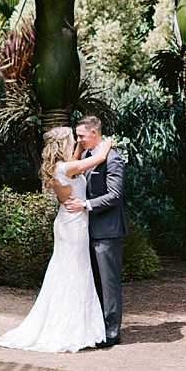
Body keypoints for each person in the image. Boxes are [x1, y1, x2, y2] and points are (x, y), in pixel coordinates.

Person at [0, 126, 115, 353]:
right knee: (76, 273)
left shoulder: (59, 168)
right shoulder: (67, 167)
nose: (75, 141)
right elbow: (99, 157)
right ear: (63, 144)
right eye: (72, 138)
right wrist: (107, 141)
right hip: (74, 226)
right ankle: (73, 328)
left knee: (65, 271)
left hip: (66, 223)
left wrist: (78, 145)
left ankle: (70, 323)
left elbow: (74, 161)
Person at [63, 114, 125, 349]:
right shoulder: (88, 155)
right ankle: (97, 328)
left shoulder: (113, 158)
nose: (78, 140)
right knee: (94, 282)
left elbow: (115, 195)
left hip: (107, 230)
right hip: (85, 230)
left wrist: (85, 205)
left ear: (94, 133)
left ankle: (112, 332)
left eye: (81, 135)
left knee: (109, 283)